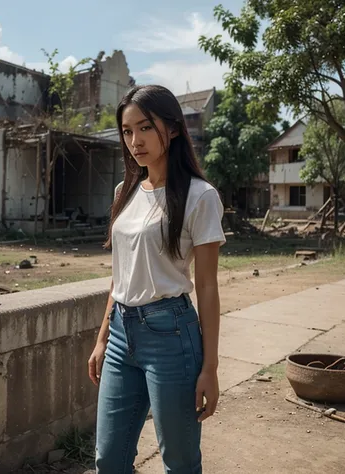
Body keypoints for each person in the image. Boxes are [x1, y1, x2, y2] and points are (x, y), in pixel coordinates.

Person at [88, 84, 225, 474]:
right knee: (109, 459)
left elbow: (209, 287)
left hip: (172, 337)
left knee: (179, 462)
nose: (135, 141)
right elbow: (119, 276)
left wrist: (210, 369)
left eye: (145, 127)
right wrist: (102, 340)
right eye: (127, 131)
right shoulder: (124, 191)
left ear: (175, 129)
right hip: (119, 337)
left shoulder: (201, 196)